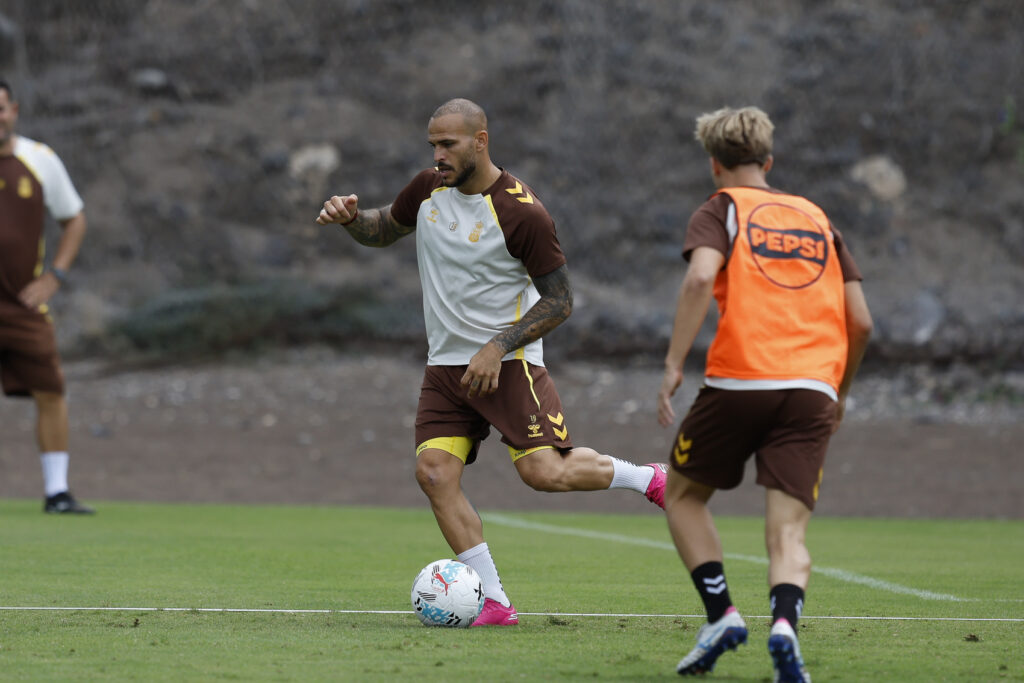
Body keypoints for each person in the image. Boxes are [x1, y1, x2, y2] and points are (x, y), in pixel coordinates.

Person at [317, 98, 667, 626]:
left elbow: (560, 302)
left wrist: (496, 347)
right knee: (434, 474)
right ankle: (497, 603)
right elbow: (385, 226)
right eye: (432, 144)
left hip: (509, 363)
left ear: (481, 141)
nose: (438, 155)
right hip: (445, 368)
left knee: (543, 473)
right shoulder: (428, 187)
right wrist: (349, 220)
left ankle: (647, 478)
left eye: (448, 144)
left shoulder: (522, 212)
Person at [658, 107, 872, 681]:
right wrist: (839, 392)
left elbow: (702, 276)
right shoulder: (818, 218)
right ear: (769, 162)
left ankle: (721, 613)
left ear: (714, 164)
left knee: (682, 496)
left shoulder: (721, 207)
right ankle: (784, 626)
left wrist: (675, 363)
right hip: (812, 390)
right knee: (788, 529)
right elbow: (862, 322)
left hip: (741, 379)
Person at [0, 79, 93, 514]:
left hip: (21, 304)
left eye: (0, 108)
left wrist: (54, 276)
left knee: (51, 390)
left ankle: (57, 492)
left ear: (13, 109)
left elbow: (74, 219)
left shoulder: (39, 160)